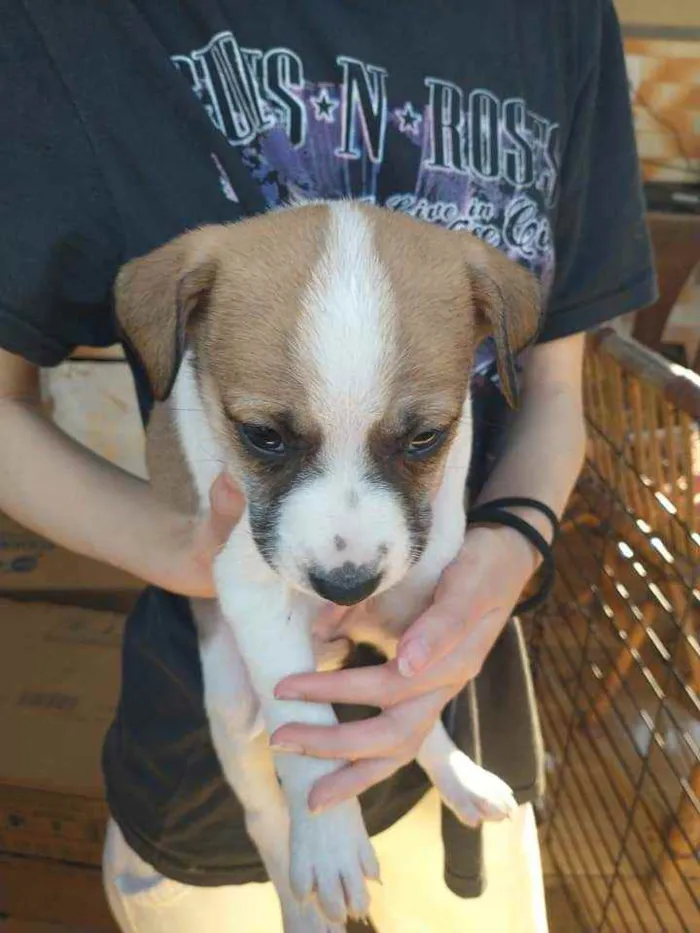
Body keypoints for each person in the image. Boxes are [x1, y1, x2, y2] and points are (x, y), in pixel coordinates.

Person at [0, 1, 656, 930]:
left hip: (470, 716)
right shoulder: (65, 26)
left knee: (404, 641)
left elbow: (555, 394)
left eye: (417, 438)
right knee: (245, 704)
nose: (345, 546)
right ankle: (282, 847)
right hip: (199, 790)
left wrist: (508, 546)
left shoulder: (557, 17)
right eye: (270, 435)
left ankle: (434, 755)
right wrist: (187, 550)